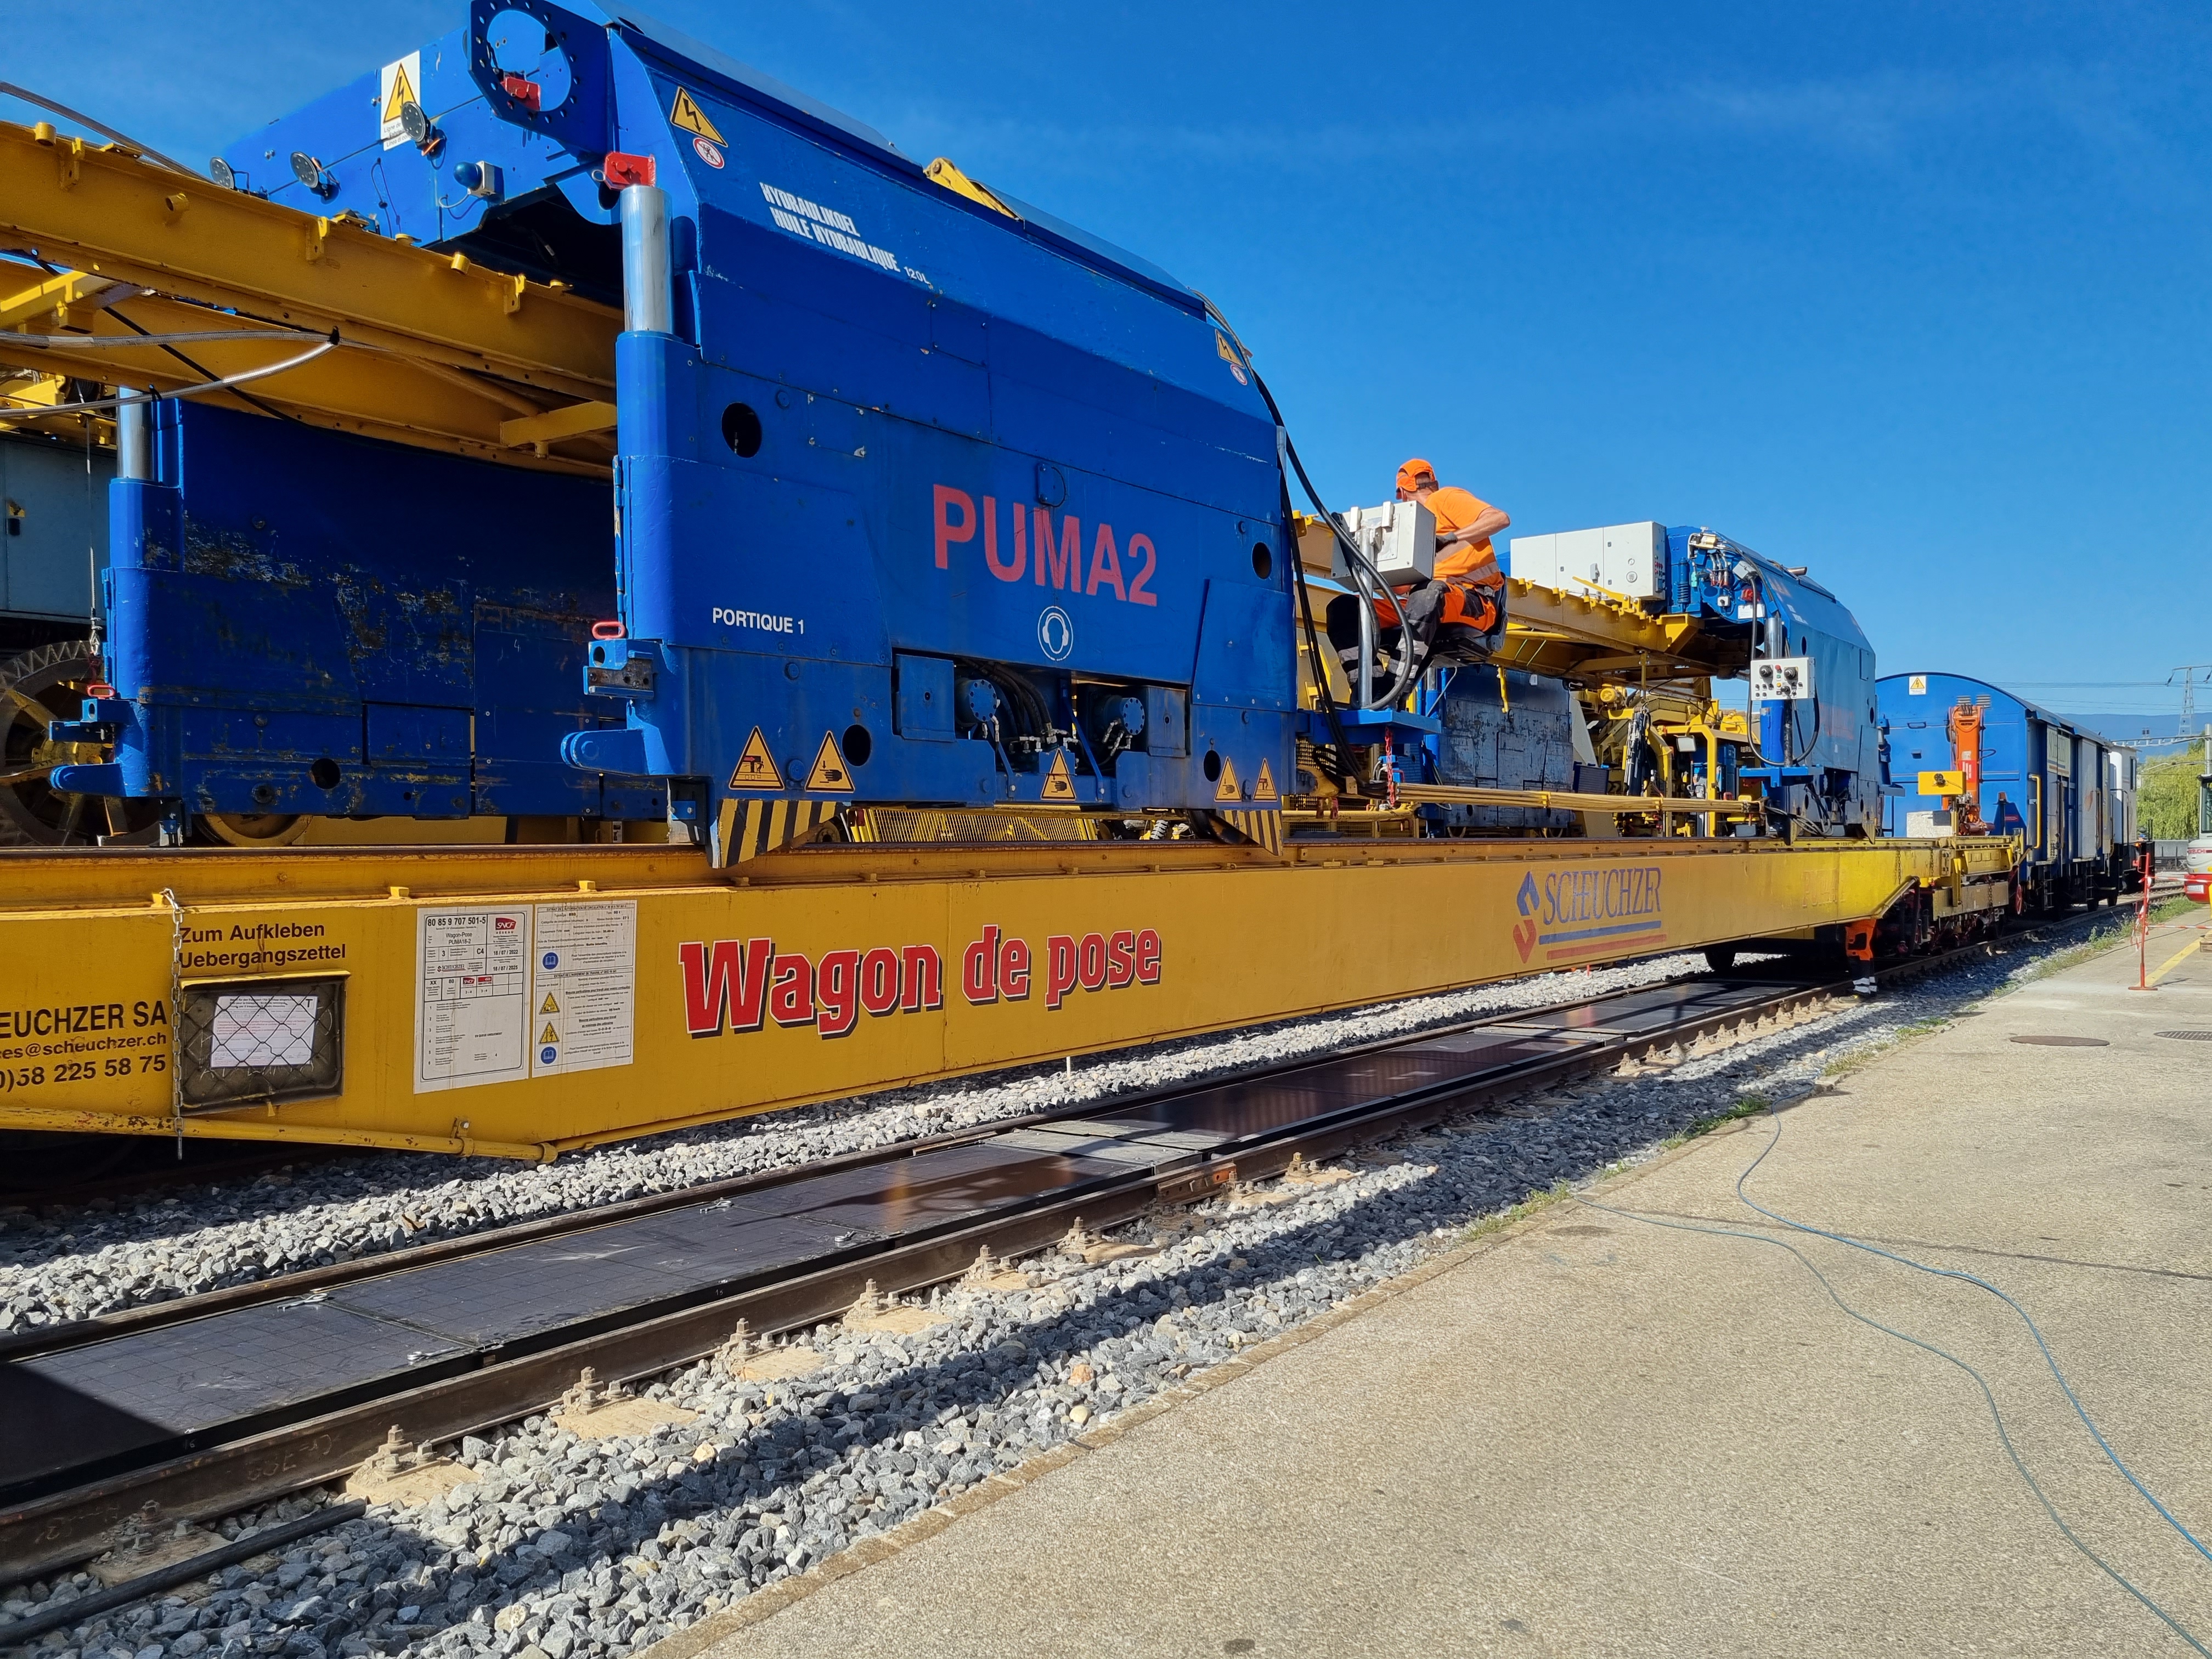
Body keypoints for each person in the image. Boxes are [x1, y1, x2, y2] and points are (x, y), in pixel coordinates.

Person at [1325, 459, 1510, 701]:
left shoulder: (1443, 499)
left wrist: (1450, 538)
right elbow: (1401, 589)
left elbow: (1500, 519)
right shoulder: (1409, 531)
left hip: (1475, 603)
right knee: (1343, 610)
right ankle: (1369, 688)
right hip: (1426, 604)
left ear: (1401, 493)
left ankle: (1395, 685)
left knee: (1427, 593)